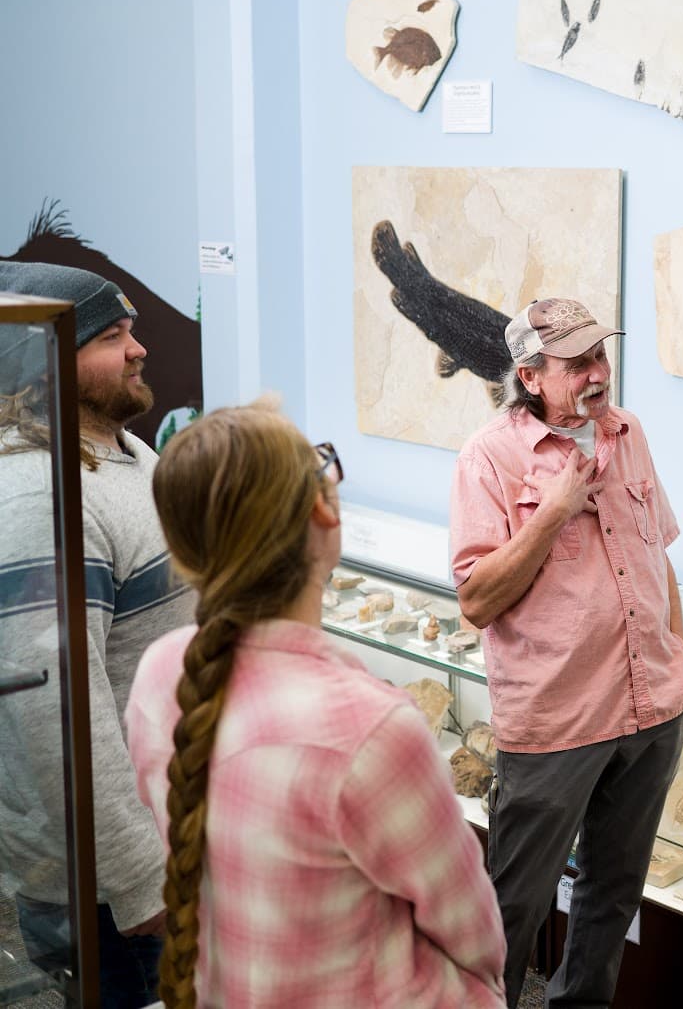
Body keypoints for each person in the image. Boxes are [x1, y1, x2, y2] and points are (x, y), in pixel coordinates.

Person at [125, 405, 506, 1007]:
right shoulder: (371, 729)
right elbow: (474, 937)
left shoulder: (159, 672)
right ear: (322, 509)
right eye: (321, 462)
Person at [451, 298, 683, 1009]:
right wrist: (553, 511)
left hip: (650, 709)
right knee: (511, 909)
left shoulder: (629, 431)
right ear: (529, 376)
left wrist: (677, 656)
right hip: (556, 724)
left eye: (601, 356)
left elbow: (658, 553)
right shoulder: (487, 458)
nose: (598, 373)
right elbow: (476, 600)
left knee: (612, 897)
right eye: (577, 363)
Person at [0, 261, 194, 1008]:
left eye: (132, 328)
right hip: (110, 896)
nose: (139, 348)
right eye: (111, 336)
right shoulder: (39, 492)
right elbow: (58, 713)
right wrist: (140, 879)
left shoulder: (117, 447)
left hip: (158, 845)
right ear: (49, 357)